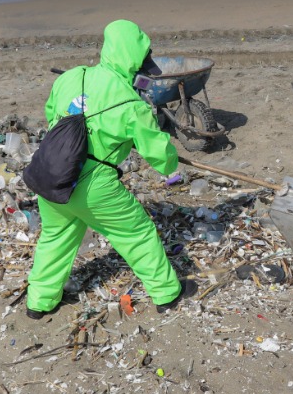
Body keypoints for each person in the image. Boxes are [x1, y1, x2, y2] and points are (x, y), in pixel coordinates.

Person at [25, 19, 185, 320]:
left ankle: (39, 302)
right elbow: (158, 155)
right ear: (132, 59)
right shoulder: (130, 102)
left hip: (52, 175)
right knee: (137, 233)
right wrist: (171, 160)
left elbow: (51, 116)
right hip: (94, 185)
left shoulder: (70, 78)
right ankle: (166, 294)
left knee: (55, 237)